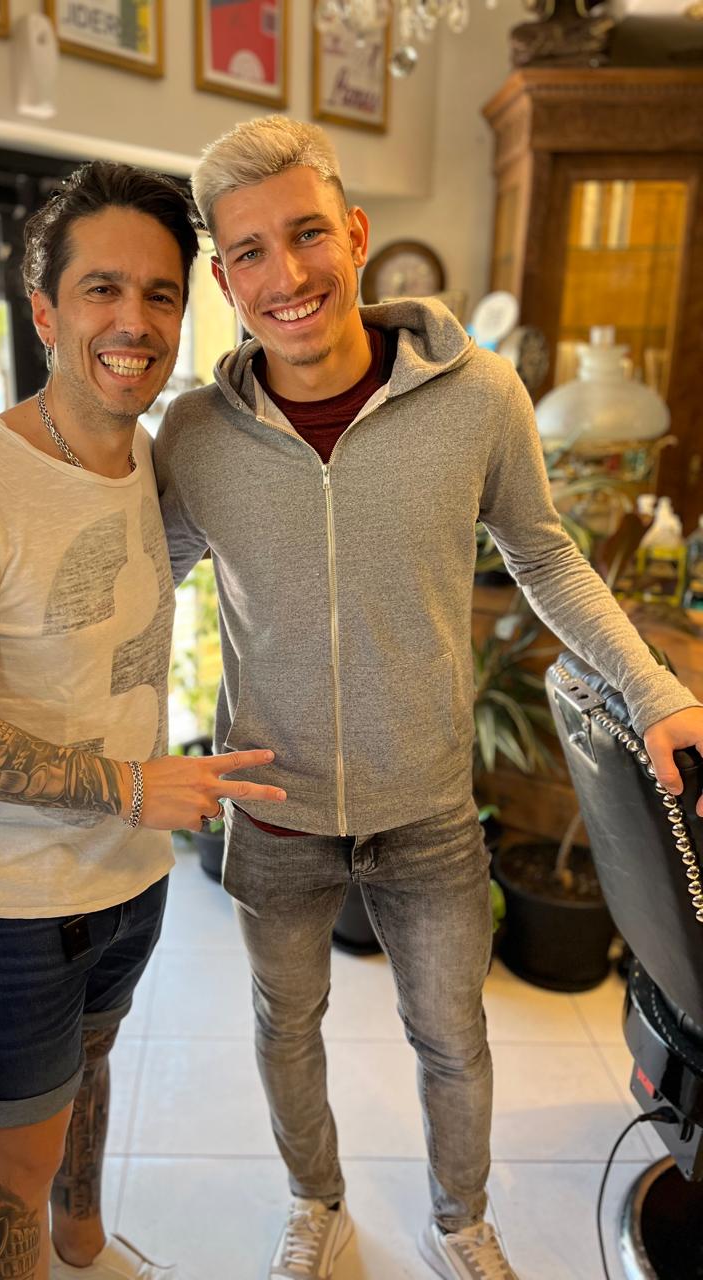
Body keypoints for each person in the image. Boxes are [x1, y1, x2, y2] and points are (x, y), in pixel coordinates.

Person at [154, 116, 703, 1280]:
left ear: (355, 234)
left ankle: (461, 1221)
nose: (286, 273)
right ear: (223, 278)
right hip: (274, 807)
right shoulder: (195, 434)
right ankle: (315, 1204)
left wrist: (655, 691)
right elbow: (138, 586)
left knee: (454, 1038)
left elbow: (545, 556)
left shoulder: (478, 395)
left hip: (430, 809)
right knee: (284, 1027)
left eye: (308, 233)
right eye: (249, 250)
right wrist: (109, 756)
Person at [0, 160, 286, 1280]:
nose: (133, 320)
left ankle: (86, 1246)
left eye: (159, 293)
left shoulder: (145, 458)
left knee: (90, 1070)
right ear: (45, 311)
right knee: (16, 1146)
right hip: (13, 902)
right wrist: (129, 788)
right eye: (102, 288)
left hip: (128, 877)